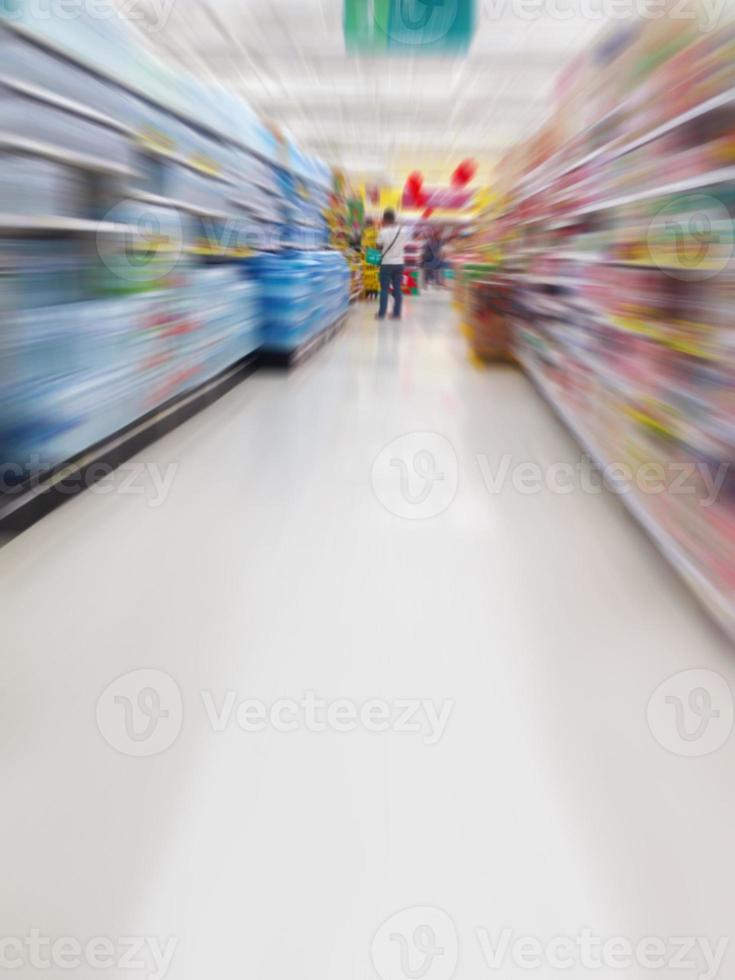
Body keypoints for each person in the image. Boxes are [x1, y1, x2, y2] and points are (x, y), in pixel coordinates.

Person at [376, 209, 410, 320]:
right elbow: (404, 245)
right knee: (397, 289)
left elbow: (378, 246)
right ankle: (396, 314)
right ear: (394, 219)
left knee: (384, 289)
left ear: (385, 219)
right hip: (399, 263)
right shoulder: (403, 232)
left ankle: (382, 314)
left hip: (386, 263)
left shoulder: (383, 231)